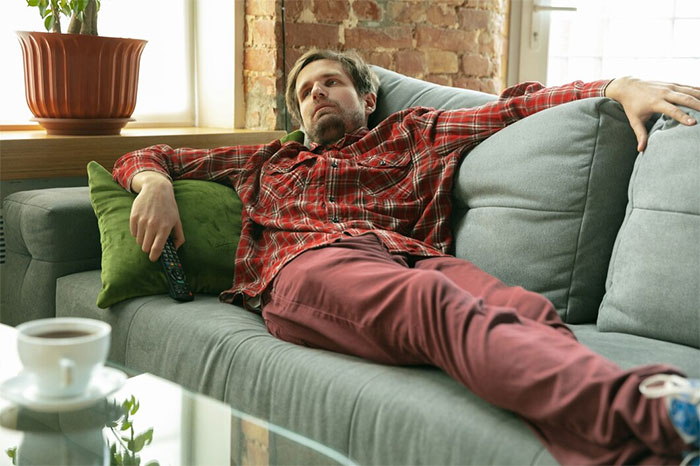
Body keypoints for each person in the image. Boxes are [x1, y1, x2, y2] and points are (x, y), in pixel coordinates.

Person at [112, 49, 700, 465]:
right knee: (433, 304)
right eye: (304, 92)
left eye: (330, 83)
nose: (316, 94)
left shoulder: (414, 133)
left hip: (412, 255)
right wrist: (155, 185)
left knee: (524, 308)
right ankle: (655, 408)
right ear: (297, 118)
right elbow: (148, 154)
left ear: (367, 97)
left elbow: (515, 108)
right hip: (311, 263)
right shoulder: (266, 161)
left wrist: (616, 87)